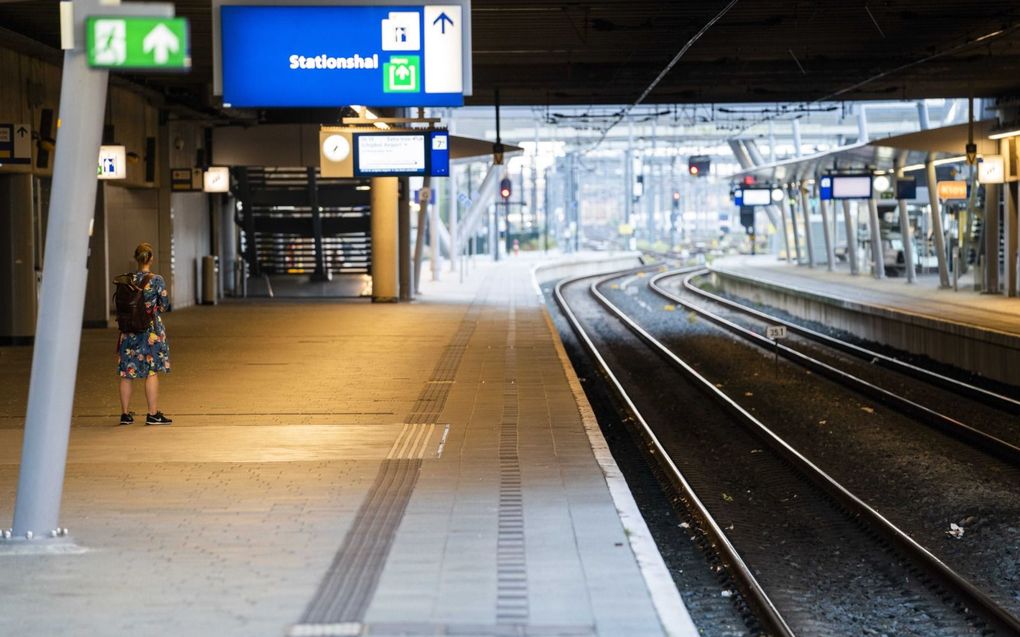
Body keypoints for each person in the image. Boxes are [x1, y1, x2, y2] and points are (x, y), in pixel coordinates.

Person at [115, 242, 173, 425]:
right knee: (151, 370)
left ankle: (125, 415)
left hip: (128, 332)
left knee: (127, 373)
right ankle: (153, 414)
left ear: (136, 258)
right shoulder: (157, 280)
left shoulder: (127, 279)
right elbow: (164, 306)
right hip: (150, 332)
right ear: (151, 258)